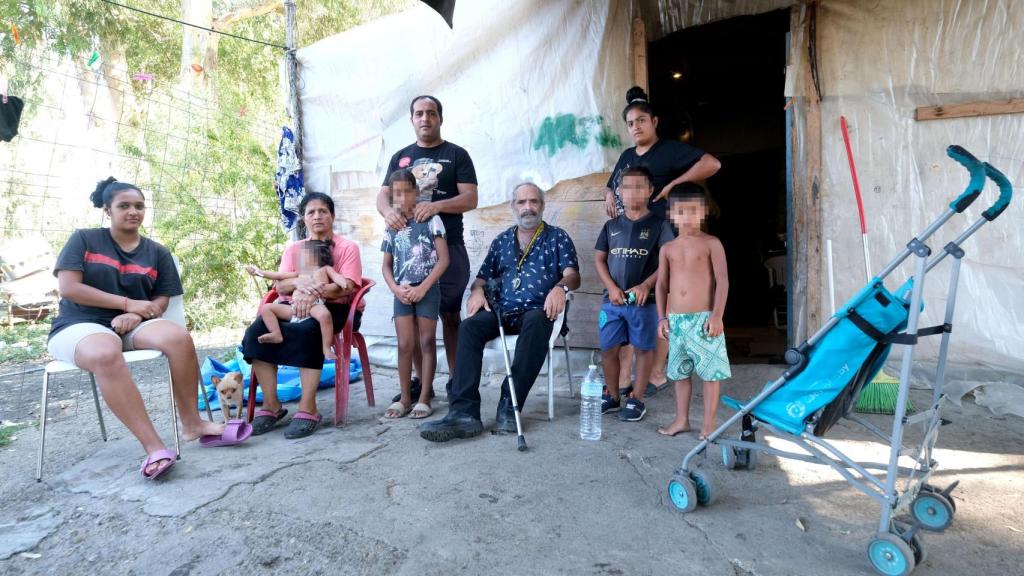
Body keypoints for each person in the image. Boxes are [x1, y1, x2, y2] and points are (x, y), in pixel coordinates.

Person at [47, 177, 234, 480]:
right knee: (106, 352)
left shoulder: (157, 252)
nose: (133, 211)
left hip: (132, 325)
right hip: (79, 325)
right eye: (124, 206)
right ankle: (154, 447)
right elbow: (69, 288)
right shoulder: (84, 239)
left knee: (177, 337)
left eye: (139, 206)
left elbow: (162, 297)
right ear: (108, 210)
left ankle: (192, 424)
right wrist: (127, 304)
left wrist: (137, 314)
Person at [419, 183, 580, 442]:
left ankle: (509, 401)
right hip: (501, 311)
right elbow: (482, 278)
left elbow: (573, 275)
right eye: (521, 202)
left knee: (538, 320)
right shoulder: (502, 240)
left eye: (533, 201)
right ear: (513, 207)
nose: (528, 207)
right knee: (469, 327)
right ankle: (464, 412)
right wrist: (477, 291)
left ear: (542, 205)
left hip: (537, 311)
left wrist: (560, 288)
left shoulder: (557, 237)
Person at [603, 86, 722, 400]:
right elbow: (614, 182)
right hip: (632, 244)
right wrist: (607, 193)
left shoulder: (670, 150)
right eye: (630, 123)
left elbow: (712, 164)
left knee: (662, 306)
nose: (636, 127)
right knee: (633, 308)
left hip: (666, 239)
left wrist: (672, 185)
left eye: (642, 120)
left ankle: (657, 372)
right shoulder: (627, 157)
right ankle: (627, 379)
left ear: (654, 121)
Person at [377, 95, 478, 402]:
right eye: (419, 113)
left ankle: (457, 384)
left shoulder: (457, 154)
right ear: (412, 119)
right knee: (416, 323)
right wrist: (388, 213)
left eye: (431, 113)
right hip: (408, 253)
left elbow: (470, 198)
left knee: (449, 315)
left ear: (440, 118)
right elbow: (383, 197)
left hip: (448, 247)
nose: (425, 118)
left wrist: (435, 206)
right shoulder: (400, 157)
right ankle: (423, 386)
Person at [241, 192, 362, 439]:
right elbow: (282, 287)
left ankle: (308, 407)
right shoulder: (295, 249)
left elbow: (347, 287)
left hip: (335, 309)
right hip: (293, 306)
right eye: (311, 212)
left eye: (323, 211)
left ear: (332, 216)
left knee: (308, 332)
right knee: (257, 330)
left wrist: (312, 292)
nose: (317, 216)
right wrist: (301, 289)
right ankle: (272, 405)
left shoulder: (347, 247)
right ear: (304, 219)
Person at [595, 167, 675, 423]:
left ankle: (637, 399)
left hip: (644, 302)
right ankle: (614, 396)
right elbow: (599, 259)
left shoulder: (659, 225)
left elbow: (668, 261)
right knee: (609, 349)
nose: (633, 192)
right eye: (627, 187)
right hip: (613, 301)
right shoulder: (611, 226)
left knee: (643, 349)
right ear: (619, 192)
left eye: (640, 186)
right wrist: (611, 287)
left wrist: (646, 285)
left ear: (650, 191)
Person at [655, 184, 731, 439]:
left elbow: (723, 280)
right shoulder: (668, 249)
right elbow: (662, 285)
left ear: (703, 212)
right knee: (679, 373)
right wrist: (662, 318)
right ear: (671, 215)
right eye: (681, 211)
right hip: (677, 322)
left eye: (693, 211)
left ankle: (709, 424)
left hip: (704, 321)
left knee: (710, 374)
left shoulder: (712, 243)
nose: (687, 217)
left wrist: (717, 315)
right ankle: (682, 419)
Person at [381, 168, 449, 419]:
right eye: (396, 194)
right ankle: (405, 398)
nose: (401, 198)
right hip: (402, 293)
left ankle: (424, 397)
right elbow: (386, 266)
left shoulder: (431, 220)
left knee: (427, 342)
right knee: (404, 344)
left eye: (406, 191)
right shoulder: (392, 227)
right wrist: (395, 289)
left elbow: (443, 260)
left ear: (416, 191)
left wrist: (423, 288)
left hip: (427, 290)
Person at [245, 240, 351, 360]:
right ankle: (276, 333)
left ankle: (326, 348)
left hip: (314, 306)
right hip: (293, 308)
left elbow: (336, 276)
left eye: (305, 256)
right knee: (267, 308)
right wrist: (258, 272)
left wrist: (343, 282)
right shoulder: (299, 272)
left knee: (325, 316)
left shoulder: (325, 269)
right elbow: (278, 276)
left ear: (318, 256)